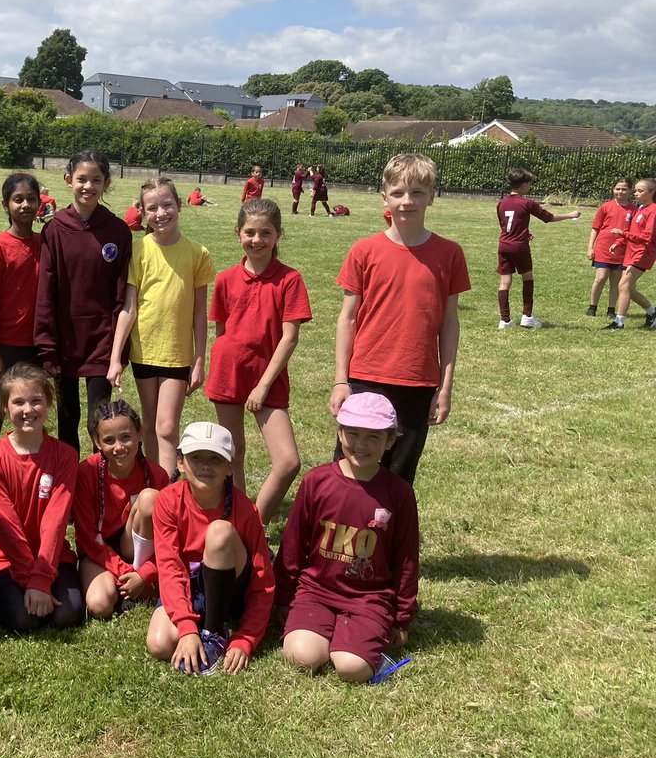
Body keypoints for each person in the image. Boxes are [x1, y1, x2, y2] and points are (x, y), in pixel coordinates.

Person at [330, 153, 471, 486]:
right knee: (349, 471)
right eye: (398, 193)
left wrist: (444, 386)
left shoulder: (449, 253)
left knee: (398, 478)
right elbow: (347, 318)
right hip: (366, 376)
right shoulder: (364, 250)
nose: (407, 201)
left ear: (432, 196)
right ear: (384, 197)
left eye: (417, 193)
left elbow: (449, 324)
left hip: (418, 382)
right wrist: (340, 380)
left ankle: (389, 537)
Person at [276, 393, 418, 683]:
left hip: (369, 598)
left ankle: (354, 641)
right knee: (302, 656)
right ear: (339, 432)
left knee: (351, 668)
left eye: (373, 437)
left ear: (390, 441)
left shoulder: (399, 493)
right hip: (315, 591)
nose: (361, 445)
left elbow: (406, 558)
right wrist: (282, 597)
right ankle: (332, 633)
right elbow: (293, 543)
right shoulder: (317, 481)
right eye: (352, 433)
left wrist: (402, 616)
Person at [206, 198, 311, 520]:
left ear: (278, 235)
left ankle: (254, 520)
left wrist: (263, 386)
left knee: (288, 461)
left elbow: (289, 337)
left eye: (265, 233)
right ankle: (237, 521)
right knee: (232, 453)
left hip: (268, 378)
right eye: (249, 232)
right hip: (229, 372)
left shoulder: (289, 280)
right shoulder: (225, 279)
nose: (257, 240)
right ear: (238, 233)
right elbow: (222, 331)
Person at [147, 422, 275, 676]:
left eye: (215, 459)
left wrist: (246, 638)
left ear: (229, 467)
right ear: (181, 463)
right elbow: (170, 566)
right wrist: (185, 628)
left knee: (219, 531)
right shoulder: (167, 500)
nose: (205, 465)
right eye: (196, 457)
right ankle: (198, 624)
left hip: (230, 588)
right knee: (159, 643)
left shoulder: (245, 509)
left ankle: (215, 632)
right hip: (191, 585)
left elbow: (263, 580)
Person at [107, 176, 214, 475]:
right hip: (144, 353)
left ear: (179, 206)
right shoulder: (139, 251)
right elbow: (129, 307)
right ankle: (155, 486)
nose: (161, 213)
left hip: (177, 355)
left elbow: (198, 313)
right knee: (151, 427)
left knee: (167, 427)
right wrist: (116, 358)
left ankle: (167, 493)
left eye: (167, 205)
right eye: (152, 208)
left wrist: (199, 360)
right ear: (143, 212)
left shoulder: (197, 253)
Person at [0, 363, 85, 631]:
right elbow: (5, 523)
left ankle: (38, 585)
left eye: (36, 401)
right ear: (4, 408)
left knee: (67, 616)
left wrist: (41, 579)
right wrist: (28, 578)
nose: (28, 410)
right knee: (25, 620)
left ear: (48, 403)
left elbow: (55, 521)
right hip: (4, 557)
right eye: (18, 402)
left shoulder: (66, 456)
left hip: (53, 556)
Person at [35, 149, 132, 454]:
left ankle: (98, 481)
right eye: (81, 179)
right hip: (65, 342)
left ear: (106, 183)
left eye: (96, 180)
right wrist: (47, 345)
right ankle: (70, 481)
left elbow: (121, 294)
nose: (88, 186)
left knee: (100, 419)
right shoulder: (54, 229)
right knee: (67, 417)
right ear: (68, 180)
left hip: (101, 341)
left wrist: (118, 347)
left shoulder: (117, 231)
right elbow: (46, 290)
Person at [74, 398, 170, 619]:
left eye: (126, 437)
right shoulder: (86, 473)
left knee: (149, 499)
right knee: (100, 605)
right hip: (98, 552)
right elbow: (88, 537)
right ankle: (125, 587)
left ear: (140, 434)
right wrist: (127, 572)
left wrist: (146, 573)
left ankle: (139, 584)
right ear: (97, 442)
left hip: (137, 552)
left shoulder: (157, 475)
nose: (119, 447)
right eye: (109, 440)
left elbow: (170, 536)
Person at [0, 172, 43, 449]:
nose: (25, 205)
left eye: (31, 199)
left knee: (34, 409)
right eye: (18, 199)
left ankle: (31, 459)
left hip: (38, 345)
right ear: (6, 205)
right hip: (5, 346)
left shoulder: (46, 244)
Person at [495, 168, 581, 329]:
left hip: (504, 245)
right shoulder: (526, 203)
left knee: (505, 282)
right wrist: (571, 215)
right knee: (527, 278)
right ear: (524, 184)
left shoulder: (501, 203)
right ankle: (527, 316)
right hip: (519, 247)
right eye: (529, 184)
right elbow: (549, 218)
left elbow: (505, 224)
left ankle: (504, 320)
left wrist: (525, 233)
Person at [607, 177, 656, 330]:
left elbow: (647, 237)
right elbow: (632, 232)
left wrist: (624, 235)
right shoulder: (640, 208)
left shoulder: (653, 211)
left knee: (623, 284)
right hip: (632, 252)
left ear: (652, 192)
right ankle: (652, 312)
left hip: (643, 253)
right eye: (635, 190)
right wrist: (619, 242)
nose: (635, 193)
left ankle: (619, 322)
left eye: (640, 191)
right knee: (628, 288)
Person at [586, 178, 637, 319]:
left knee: (616, 280)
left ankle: (611, 309)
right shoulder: (605, 206)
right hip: (603, 247)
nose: (620, 191)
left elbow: (634, 232)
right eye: (617, 188)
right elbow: (595, 228)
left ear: (630, 190)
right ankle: (592, 306)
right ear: (613, 189)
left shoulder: (634, 209)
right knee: (600, 277)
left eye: (624, 189)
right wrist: (590, 247)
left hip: (622, 250)